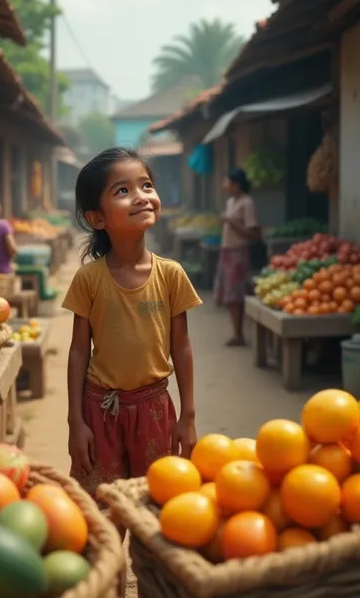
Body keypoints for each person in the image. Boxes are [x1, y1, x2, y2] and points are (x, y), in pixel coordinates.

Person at [62, 147, 202, 497]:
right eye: (122, 191)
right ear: (98, 218)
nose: (141, 197)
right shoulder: (89, 279)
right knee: (103, 510)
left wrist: (188, 416)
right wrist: (75, 421)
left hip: (154, 410)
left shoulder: (171, 274)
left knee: (152, 505)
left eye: (146, 186)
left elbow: (181, 347)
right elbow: (79, 351)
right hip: (99, 411)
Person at [214, 167, 260, 347]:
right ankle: (236, 333)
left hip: (239, 253)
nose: (224, 185)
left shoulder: (247, 203)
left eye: (227, 182)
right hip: (227, 252)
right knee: (229, 295)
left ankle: (239, 334)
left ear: (237, 184)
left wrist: (230, 221)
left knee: (236, 295)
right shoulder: (231, 202)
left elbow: (253, 234)